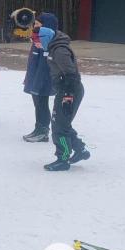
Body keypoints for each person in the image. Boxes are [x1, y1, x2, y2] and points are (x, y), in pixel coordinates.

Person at [37, 26, 91, 171]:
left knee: (59, 126)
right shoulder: (54, 48)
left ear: (45, 39)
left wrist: (67, 97)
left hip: (69, 92)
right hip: (66, 90)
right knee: (63, 123)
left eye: (38, 40)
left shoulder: (59, 51)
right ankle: (80, 150)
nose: (37, 44)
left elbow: (71, 75)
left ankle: (63, 159)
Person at [22, 13, 59, 142]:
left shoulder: (49, 41)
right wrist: (29, 78)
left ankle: (43, 131)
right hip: (35, 78)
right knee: (37, 104)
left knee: (42, 104)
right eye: (35, 24)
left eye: (38, 24)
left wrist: (38, 81)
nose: (35, 26)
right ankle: (38, 128)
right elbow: (33, 62)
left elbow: (47, 65)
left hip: (44, 80)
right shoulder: (37, 39)